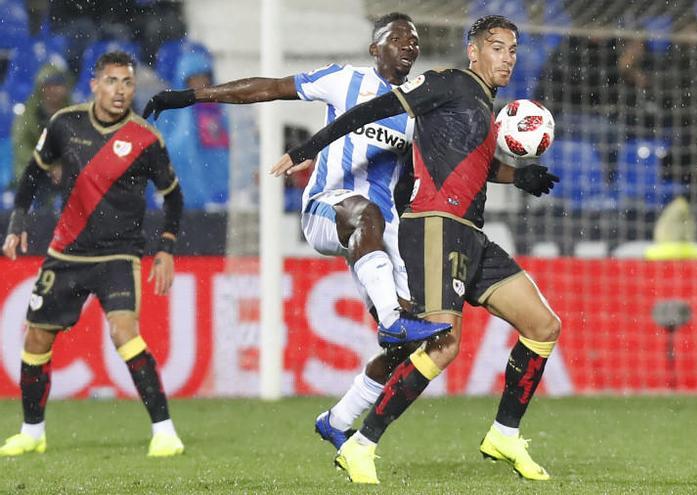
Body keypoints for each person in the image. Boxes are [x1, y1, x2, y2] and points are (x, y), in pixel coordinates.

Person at [141, 12, 451, 451]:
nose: (410, 45)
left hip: (383, 232)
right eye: (399, 37)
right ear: (374, 47)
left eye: (415, 41)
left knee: (407, 348)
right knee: (365, 217)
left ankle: (338, 419)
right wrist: (192, 96)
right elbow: (269, 87)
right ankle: (391, 320)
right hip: (328, 208)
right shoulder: (343, 80)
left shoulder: (418, 106)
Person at [272, 15, 562, 484]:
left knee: (543, 325)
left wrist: (518, 175)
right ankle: (362, 445)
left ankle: (504, 433)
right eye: (496, 47)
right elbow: (369, 110)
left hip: (472, 234)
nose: (505, 57)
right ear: (473, 51)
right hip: (432, 226)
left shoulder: (486, 109)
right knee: (442, 346)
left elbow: (471, 162)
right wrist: (312, 145)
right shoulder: (448, 82)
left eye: (512, 49)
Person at [0, 51, 185, 458]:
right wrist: (17, 224)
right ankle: (32, 432)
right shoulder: (65, 124)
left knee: (124, 333)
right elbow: (32, 174)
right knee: (35, 337)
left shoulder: (145, 139)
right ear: (96, 84)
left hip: (118, 255)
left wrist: (166, 248)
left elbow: (173, 197)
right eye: (112, 81)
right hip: (66, 253)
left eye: (128, 83)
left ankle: (165, 432)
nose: (120, 91)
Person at [154, 50, 230, 210]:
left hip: (218, 186)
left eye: (204, 77)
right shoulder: (173, 110)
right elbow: (171, 147)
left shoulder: (220, 107)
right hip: (186, 187)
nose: (200, 82)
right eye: (194, 78)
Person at [10, 64, 72, 209]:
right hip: (35, 174)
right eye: (50, 85)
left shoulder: (72, 113)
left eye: (59, 85)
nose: (55, 90)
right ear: (41, 88)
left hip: (65, 175)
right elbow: (21, 148)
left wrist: (64, 166)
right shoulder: (29, 114)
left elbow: (79, 146)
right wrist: (48, 167)